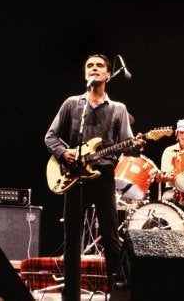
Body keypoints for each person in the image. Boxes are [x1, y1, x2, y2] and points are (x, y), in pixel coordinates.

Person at [44, 54, 144, 300]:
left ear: (108, 75)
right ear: (85, 73)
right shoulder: (72, 104)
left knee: (111, 236)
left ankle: (119, 293)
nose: (95, 69)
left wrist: (138, 145)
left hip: (104, 176)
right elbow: (50, 136)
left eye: (100, 66)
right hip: (73, 176)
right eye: (90, 65)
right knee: (72, 238)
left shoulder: (118, 109)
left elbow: (127, 146)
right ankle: (71, 296)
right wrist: (64, 152)